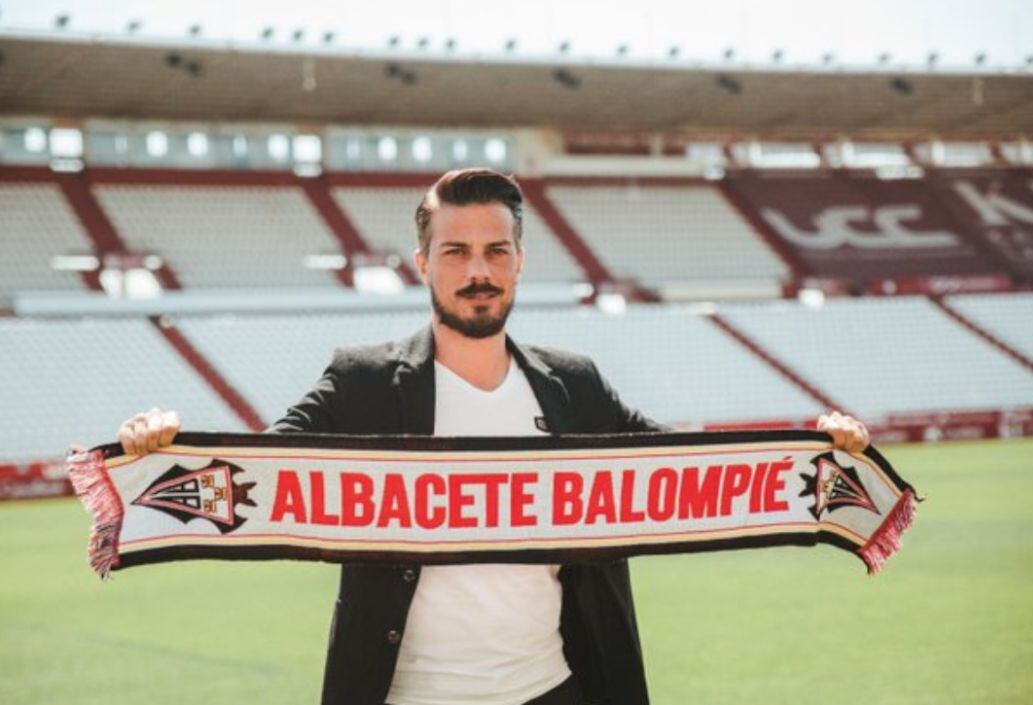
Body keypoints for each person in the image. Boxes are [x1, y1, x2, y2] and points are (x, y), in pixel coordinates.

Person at [118, 167, 870, 705]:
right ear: (423, 265)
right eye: (456, 252)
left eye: (495, 252)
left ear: (519, 262)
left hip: (553, 688)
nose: (478, 271)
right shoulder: (364, 380)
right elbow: (268, 468)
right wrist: (165, 449)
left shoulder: (575, 383)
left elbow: (688, 471)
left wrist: (813, 453)